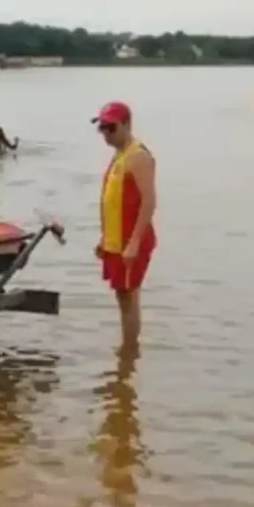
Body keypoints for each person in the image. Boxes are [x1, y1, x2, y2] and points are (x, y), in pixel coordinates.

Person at [92, 101, 157, 351]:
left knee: (128, 297)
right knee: (122, 295)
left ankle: (129, 355)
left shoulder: (138, 156)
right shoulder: (120, 154)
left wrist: (134, 242)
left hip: (131, 239)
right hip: (116, 238)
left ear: (127, 124)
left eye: (111, 128)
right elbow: (114, 200)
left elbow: (149, 202)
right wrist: (104, 238)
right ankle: (128, 350)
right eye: (102, 128)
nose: (106, 134)